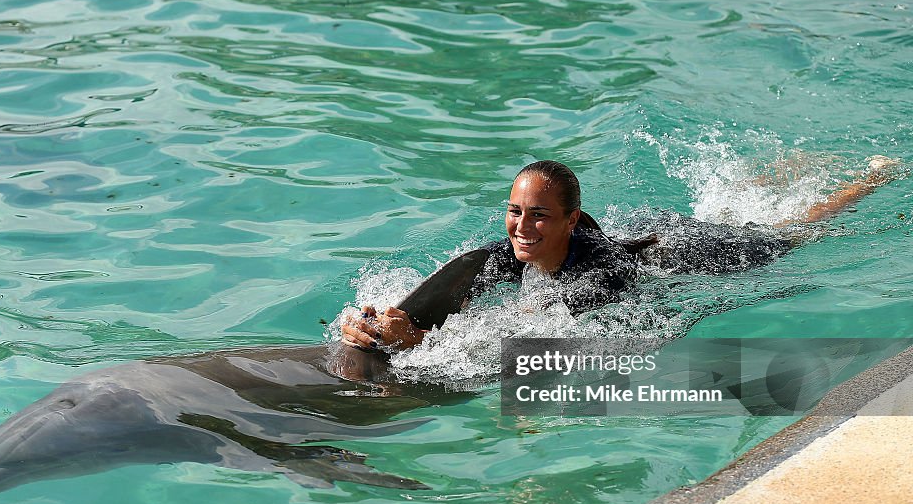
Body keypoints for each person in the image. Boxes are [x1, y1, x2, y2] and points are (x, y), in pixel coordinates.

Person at [341, 156, 902, 351]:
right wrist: (371, 320)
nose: (522, 225)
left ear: (571, 219)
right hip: (641, 229)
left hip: (686, 253)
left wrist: (418, 342)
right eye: (515, 211)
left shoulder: (598, 278)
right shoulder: (509, 250)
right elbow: (443, 290)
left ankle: (862, 186)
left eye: (538, 214)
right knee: (741, 211)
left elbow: (520, 335)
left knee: (790, 234)